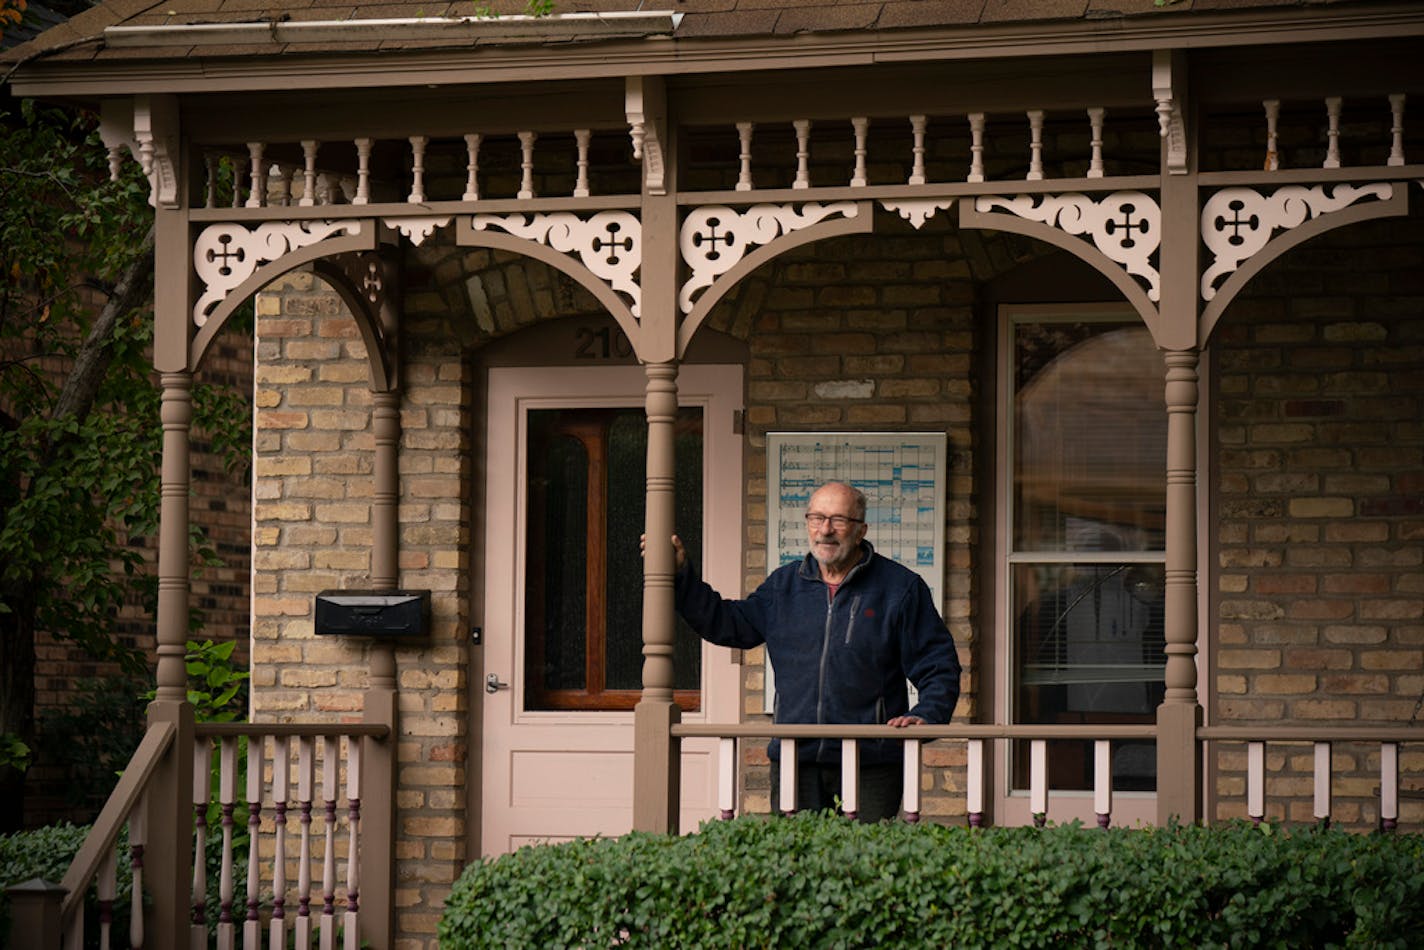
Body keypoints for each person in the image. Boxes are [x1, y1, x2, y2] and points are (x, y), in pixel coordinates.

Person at [647, 480, 961, 821]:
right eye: (817, 518)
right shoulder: (784, 586)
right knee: (795, 863)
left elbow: (938, 665)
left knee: (864, 864)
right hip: (795, 759)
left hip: (871, 762)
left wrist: (927, 714)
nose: (826, 530)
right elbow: (727, 623)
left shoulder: (900, 589)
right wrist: (681, 576)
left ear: (860, 530)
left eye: (839, 520)